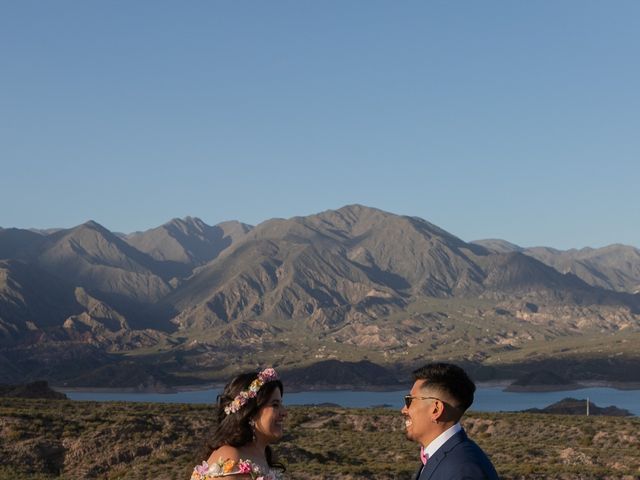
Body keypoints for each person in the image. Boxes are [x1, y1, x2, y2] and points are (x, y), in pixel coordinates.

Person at [402, 363, 499, 480]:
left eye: (410, 400)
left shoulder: (463, 470)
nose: (404, 410)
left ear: (436, 410)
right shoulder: (445, 456)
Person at [191, 368, 287, 479]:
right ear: (250, 412)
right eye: (275, 405)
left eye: (281, 404)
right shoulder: (231, 458)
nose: (284, 413)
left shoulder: (260, 455)